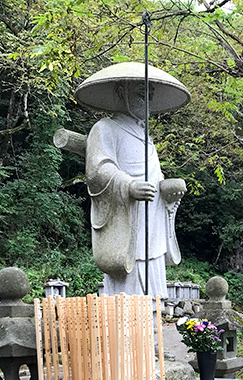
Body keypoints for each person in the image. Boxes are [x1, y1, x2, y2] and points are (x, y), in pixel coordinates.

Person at [76, 63, 190, 297]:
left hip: (152, 217)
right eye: (141, 94)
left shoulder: (146, 137)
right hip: (127, 217)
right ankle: (129, 329)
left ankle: (153, 323)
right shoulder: (105, 128)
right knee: (130, 286)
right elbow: (98, 170)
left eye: (150, 96)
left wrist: (167, 192)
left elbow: (156, 177)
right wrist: (128, 185)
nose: (147, 101)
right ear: (121, 93)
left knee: (153, 285)